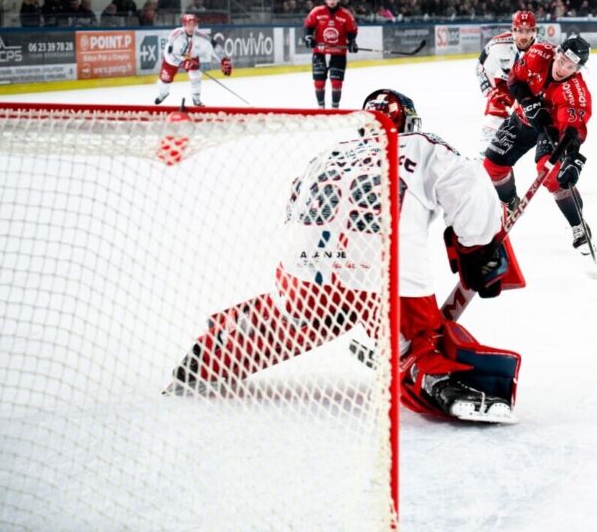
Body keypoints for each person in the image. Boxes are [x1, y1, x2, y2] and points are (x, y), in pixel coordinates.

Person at [167, 89, 523, 423]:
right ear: (410, 124)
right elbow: (470, 186)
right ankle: (430, 371)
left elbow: (293, 208)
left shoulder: (329, 153)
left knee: (295, 318)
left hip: (304, 266)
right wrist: (477, 250)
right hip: (385, 272)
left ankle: (213, 351)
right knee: (415, 339)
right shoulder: (422, 145)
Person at [483, 34, 594, 254]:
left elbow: (572, 130)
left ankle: (578, 224)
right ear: (556, 53)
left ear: (578, 70)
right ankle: (510, 202)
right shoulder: (538, 53)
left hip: (550, 130)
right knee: (492, 165)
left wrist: (571, 158)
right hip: (522, 118)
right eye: (561, 60)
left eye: (570, 67)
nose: (562, 69)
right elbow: (515, 78)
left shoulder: (576, 93)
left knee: (552, 175)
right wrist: (528, 101)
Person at [474, 10, 538, 155]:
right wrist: (491, 92)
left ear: (535, 31)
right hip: (505, 84)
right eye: (519, 30)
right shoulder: (498, 44)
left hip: (531, 89)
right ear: (512, 30)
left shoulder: (544, 49)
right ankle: (487, 152)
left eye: (528, 31)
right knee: (494, 116)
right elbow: (480, 68)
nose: (523, 36)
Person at [154, 13, 232, 106]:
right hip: (174, 58)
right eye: (188, 25)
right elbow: (169, 54)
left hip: (191, 55)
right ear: (184, 25)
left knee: (196, 75)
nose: (191, 28)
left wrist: (224, 59)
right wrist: (182, 63)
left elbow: (213, 45)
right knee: (164, 80)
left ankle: (196, 99)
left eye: (193, 25)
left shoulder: (200, 36)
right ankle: (163, 93)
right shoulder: (175, 36)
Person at [302, 0, 359, 108]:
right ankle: (321, 108)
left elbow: (352, 30)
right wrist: (308, 37)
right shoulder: (317, 12)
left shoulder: (346, 14)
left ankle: (335, 108)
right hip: (319, 52)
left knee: (337, 83)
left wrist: (352, 42)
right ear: (325, 0)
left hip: (338, 53)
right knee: (319, 83)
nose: (332, 1)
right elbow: (308, 25)